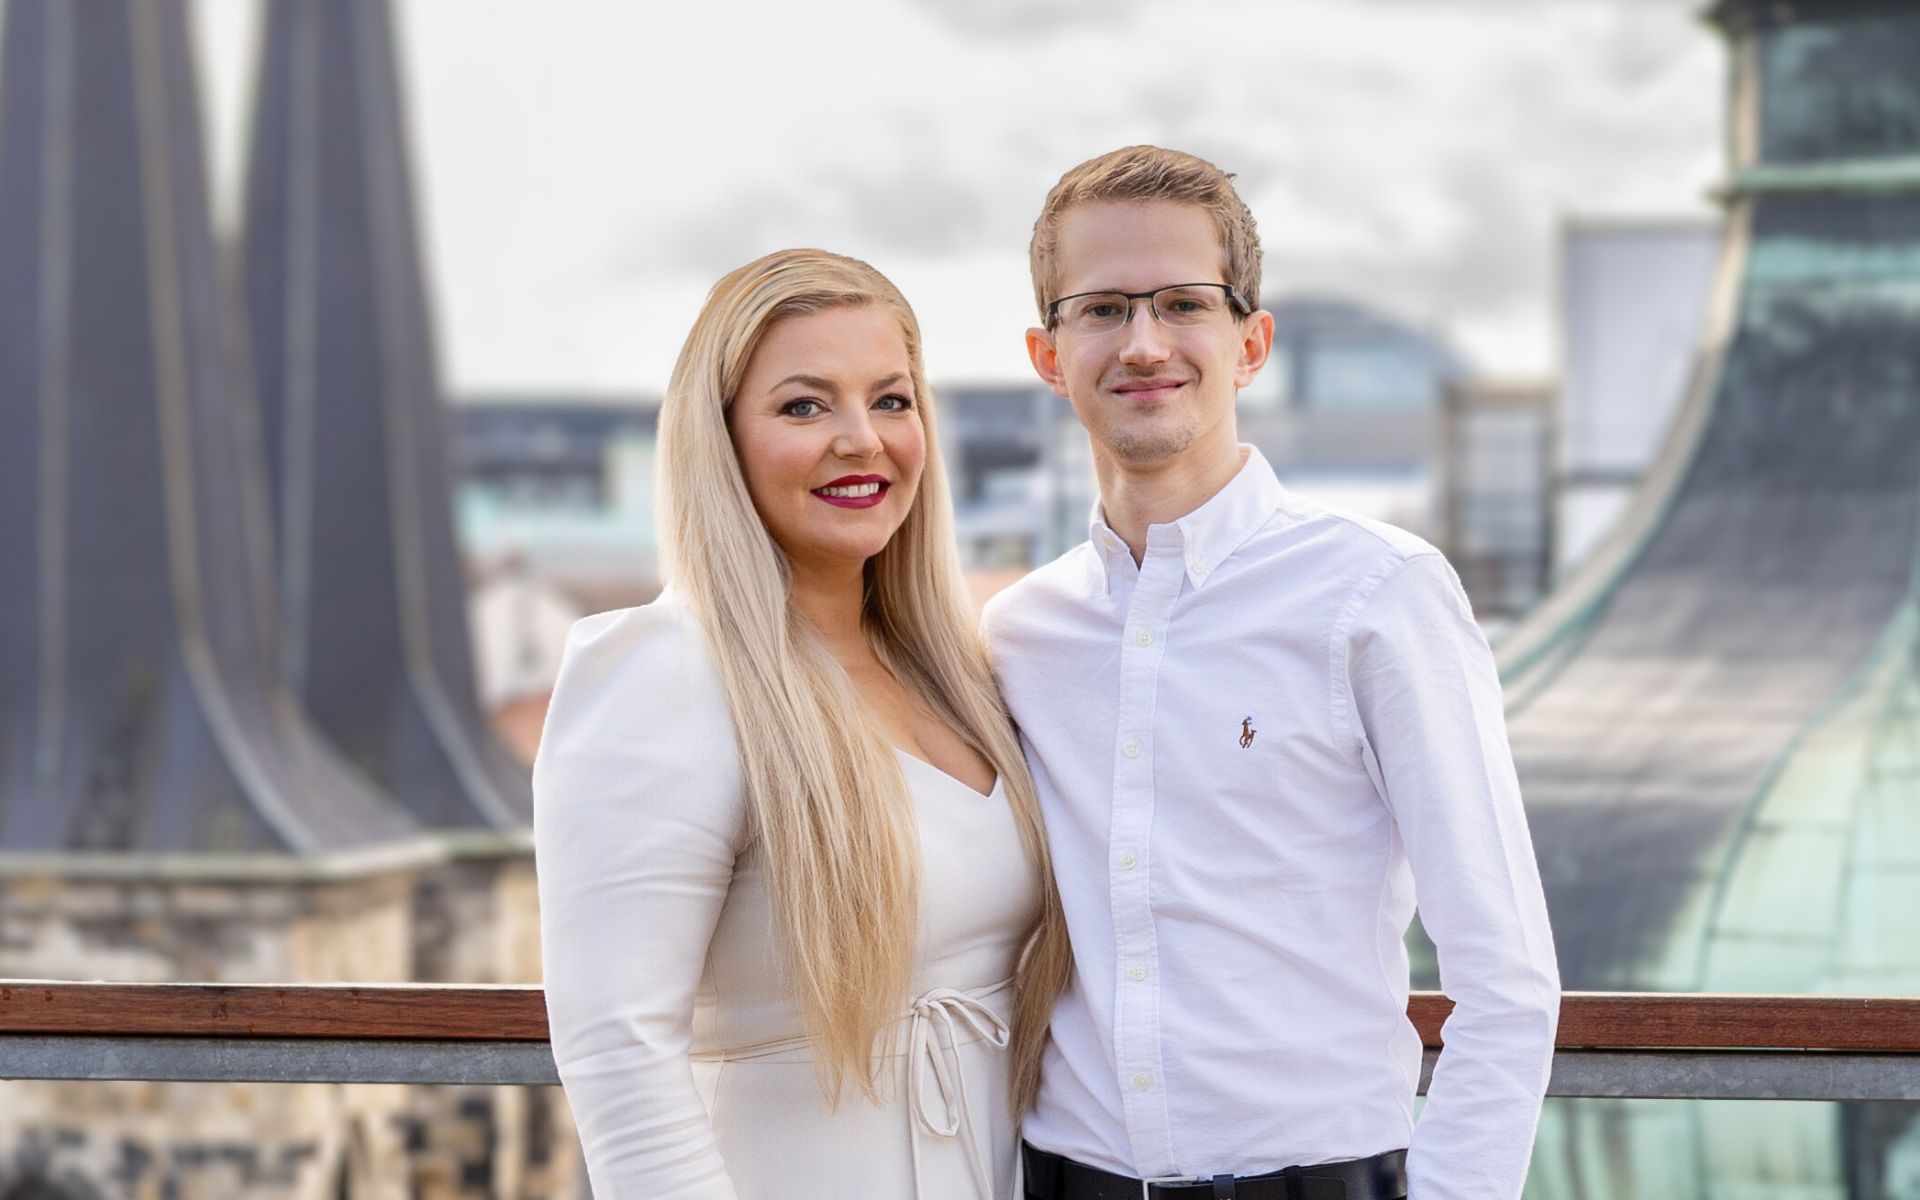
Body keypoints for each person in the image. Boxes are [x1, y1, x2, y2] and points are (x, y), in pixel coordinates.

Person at [983, 146, 1560, 1200]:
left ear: (1250, 344)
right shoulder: (1020, 634)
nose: (1144, 343)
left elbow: (1507, 979)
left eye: (1183, 304)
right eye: (1102, 309)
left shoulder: (1379, 594)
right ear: (1048, 354)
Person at [534, 248, 1071, 1199]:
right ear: (722, 440)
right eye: (804, 407)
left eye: (891, 400)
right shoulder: (665, 674)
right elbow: (620, 1054)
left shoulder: (955, 673)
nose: (861, 440)